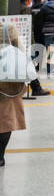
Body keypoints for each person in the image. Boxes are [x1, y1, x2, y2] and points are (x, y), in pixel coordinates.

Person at [0, 22, 28, 166]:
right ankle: (0, 155)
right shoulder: (8, 28)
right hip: (8, 84)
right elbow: (21, 52)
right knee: (6, 121)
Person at [21, 0, 48, 96]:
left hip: (17, 40)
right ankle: (36, 88)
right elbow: (28, 27)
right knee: (29, 65)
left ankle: (36, 87)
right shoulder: (26, 9)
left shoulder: (16, 7)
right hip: (25, 41)